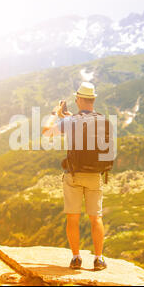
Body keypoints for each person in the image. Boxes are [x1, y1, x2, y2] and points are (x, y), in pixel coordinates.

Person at [42, 82, 111, 271]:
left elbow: (46, 131)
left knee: (72, 217)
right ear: (93, 99)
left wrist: (54, 113)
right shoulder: (102, 120)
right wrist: (68, 116)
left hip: (73, 175)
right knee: (96, 218)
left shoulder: (71, 122)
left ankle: (76, 258)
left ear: (79, 100)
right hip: (95, 175)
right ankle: (98, 259)